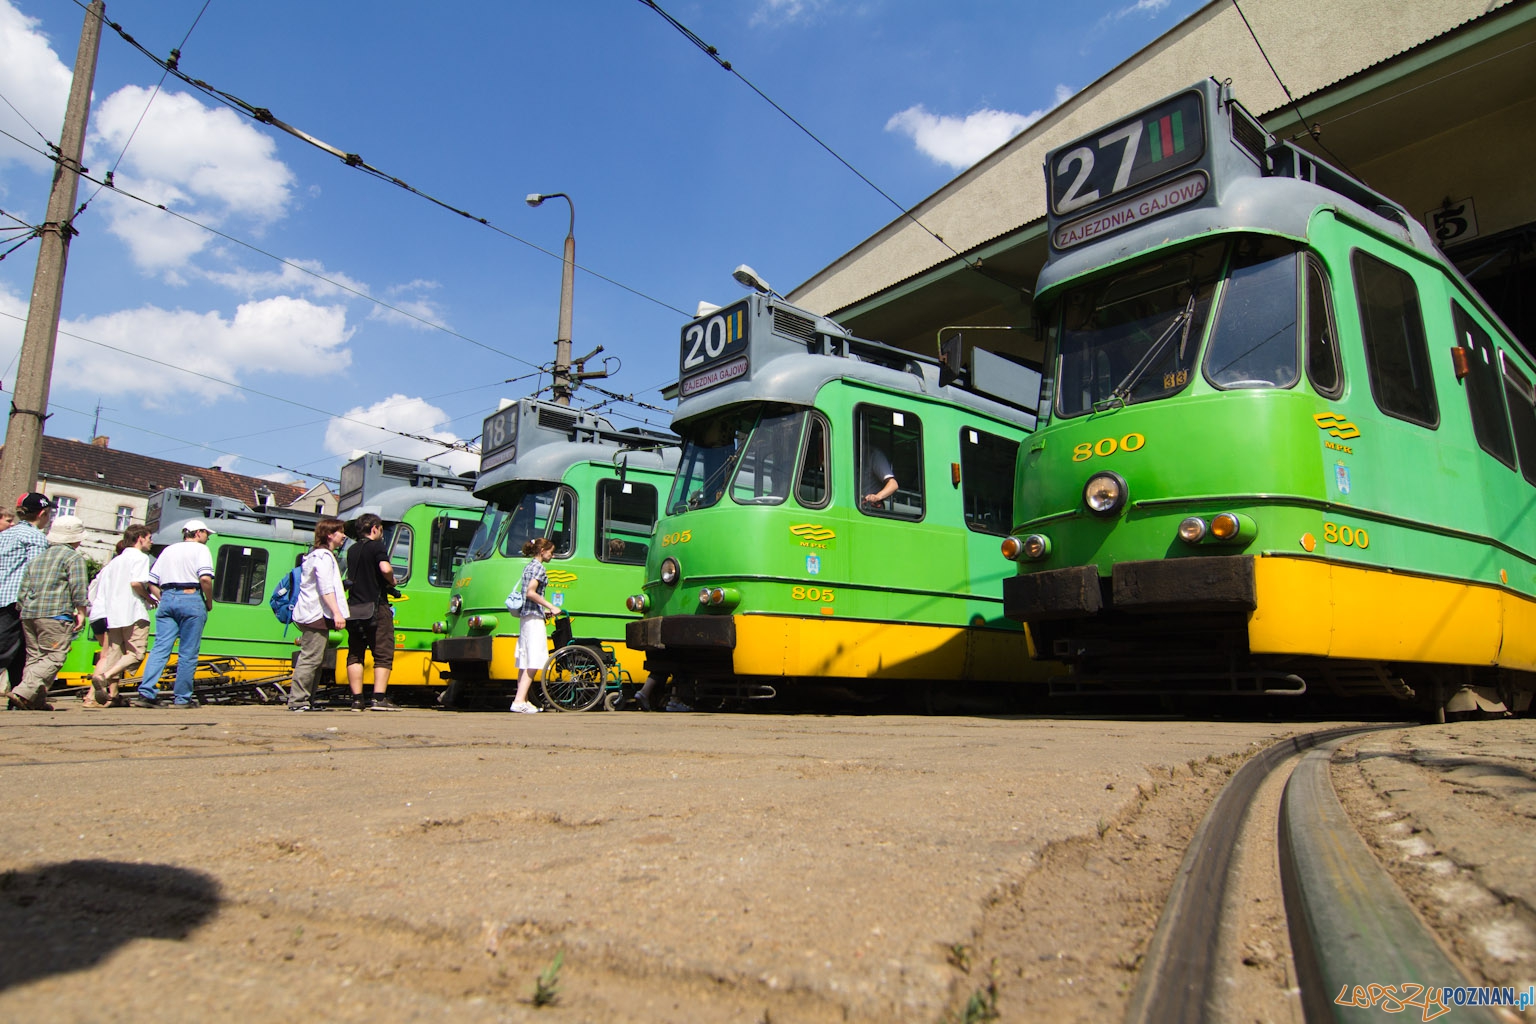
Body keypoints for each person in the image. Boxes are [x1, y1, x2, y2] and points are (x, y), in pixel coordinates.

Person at [133, 518, 215, 709]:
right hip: (192, 598)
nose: (207, 538)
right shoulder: (201, 550)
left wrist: (164, 597)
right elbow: (205, 578)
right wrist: (208, 602)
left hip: (168, 599)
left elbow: (151, 581)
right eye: (206, 534)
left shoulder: (169, 550)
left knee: (160, 648)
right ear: (197, 533)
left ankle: (146, 693)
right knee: (188, 652)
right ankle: (182, 698)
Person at [10, 514, 89, 710]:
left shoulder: (38, 558)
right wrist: (81, 611)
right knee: (55, 656)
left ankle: (35, 700)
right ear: (75, 538)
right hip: (55, 614)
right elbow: (78, 587)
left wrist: (23, 609)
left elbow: (24, 589)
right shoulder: (73, 557)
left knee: (35, 657)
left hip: (29, 614)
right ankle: (23, 691)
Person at [86, 525, 155, 708]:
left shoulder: (115, 561)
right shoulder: (140, 557)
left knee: (113, 655)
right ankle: (104, 677)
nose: (151, 541)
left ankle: (107, 697)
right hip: (133, 612)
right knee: (137, 653)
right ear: (140, 538)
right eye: (149, 537)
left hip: (113, 615)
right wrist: (149, 598)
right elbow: (136, 583)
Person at [287, 518, 348, 712]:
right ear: (330, 535)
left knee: (316, 658)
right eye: (340, 532)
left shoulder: (316, 555)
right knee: (311, 658)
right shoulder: (323, 557)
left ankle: (307, 700)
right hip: (315, 614)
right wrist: (337, 613)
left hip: (311, 612)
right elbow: (325, 587)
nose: (343, 535)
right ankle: (298, 701)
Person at [344, 513, 401, 711]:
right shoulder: (377, 546)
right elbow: (385, 568)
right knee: (383, 654)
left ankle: (357, 700)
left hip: (354, 610)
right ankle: (378, 698)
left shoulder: (351, 550)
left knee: (355, 654)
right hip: (376, 608)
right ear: (375, 528)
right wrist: (392, 581)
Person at [0, 493, 54, 698]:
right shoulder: (35, 537)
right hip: (17, 601)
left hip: (3, 597)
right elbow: (36, 573)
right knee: (5, 650)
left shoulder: (5, 534)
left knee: (20, 653)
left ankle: (20, 695)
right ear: (42, 513)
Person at [509, 537, 558, 714]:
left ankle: (524, 700)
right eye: (551, 552)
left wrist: (543, 611)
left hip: (526, 616)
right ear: (542, 551)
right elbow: (531, 592)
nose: (552, 556)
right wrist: (551, 606)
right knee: (534, 659)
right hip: (533, 620)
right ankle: (519, 700)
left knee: (525, 659)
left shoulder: (528, 566)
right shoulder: (538, 567)